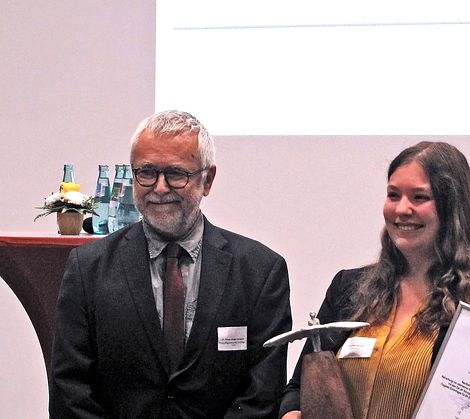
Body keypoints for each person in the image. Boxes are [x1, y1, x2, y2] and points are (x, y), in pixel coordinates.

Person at [49, 110, 292, 418]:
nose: (159, 188)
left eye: (176, 174)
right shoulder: (89, 269)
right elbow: (70, 391)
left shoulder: (260, 272)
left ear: (208, 179)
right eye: (146, 172)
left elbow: (262, 395)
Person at [278, 141, 470, 419]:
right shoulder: (347, 288)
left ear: (452, 209)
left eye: (419, 198)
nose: (402, 209)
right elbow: (297, 388)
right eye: (393, 195)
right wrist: (291, 413)